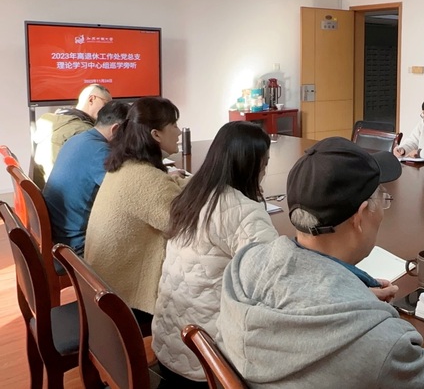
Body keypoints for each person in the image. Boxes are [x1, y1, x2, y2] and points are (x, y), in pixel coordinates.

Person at [217, 137, 424, 388]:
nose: (384, 208)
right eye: (382, 198)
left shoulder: (244, 266)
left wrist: (352, 297)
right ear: (361, 215)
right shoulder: (377, 342)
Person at [152, 122, 279, 386]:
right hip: (206, 364)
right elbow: (273, 285)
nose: (264, 173)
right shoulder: (243, 212)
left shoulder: (192, 194)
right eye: (264, 164)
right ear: (251, 166)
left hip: (170, 346)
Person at [84, 97, 187, 324]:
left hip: (103, 289)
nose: (179, 132)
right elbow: (183, 225)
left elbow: (162, 190)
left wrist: (187, 183)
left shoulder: (126, 166)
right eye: (174, 125)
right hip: (126, 305)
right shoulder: (148, 180)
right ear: (156, 134)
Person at [43, 100, 130, 256]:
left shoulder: (77, 139)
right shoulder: (100, 152)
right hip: (76, 247)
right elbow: (124, 195)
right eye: (130, 134)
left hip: (60, 236)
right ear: (116, 129)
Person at [32, 84, 112, 188]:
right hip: (64, 191)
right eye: (106, 105)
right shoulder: (83, 132)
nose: (109, 112)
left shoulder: (55, 121)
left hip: (48, 187)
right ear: (91, 99)